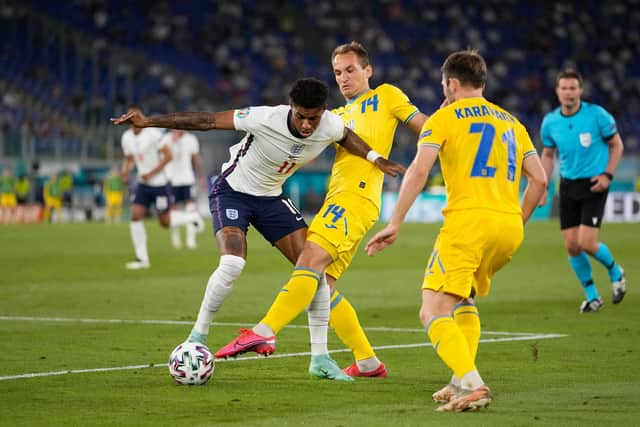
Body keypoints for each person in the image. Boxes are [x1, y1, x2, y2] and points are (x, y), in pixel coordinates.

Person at [111, 78, 404, 379]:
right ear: (291, 108)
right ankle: (196, 336)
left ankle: (320, 358)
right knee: (233, 263)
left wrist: (375, 158)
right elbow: (209, 120)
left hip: (271, 199)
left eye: (312, 118)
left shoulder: (329, 124)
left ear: (322, 112)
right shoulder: (265, 118)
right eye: (300, 116)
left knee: (314, 271)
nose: (306, 125)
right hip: (232, 191)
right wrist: (150, 122)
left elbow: (347, 136)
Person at [215, 42, 428, 379]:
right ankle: (367, 362)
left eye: (351, 70)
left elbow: (423, 125)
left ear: (367, 70)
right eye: (338, 73)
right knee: (322, 286)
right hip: (340, 199)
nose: (344, 78)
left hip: (355, 199)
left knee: (308, 261)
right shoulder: (332, 119)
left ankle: (265, 330)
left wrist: (451, 125)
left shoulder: (386, 95)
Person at [364, 50, 546, 411]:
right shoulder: (513, 122)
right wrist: (516, 220)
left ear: (451, 83)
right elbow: (539, 180)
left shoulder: (444, 118)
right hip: (508, 226)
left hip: (468, 222)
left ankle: (474, 385)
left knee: (431, 310)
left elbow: (419, 170)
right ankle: (459, 379)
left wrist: (395, 221)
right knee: (463, 298)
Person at [540, 69, 626, 312]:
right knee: (572, 246)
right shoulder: (550, 121)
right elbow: (548, 155)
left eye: (573, 88)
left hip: (594, 184)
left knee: (587, 242)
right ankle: (592, 296)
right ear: (558, 92)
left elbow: (616, 145)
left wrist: (608, 175)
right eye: (564, 88)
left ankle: (615, 271)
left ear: (580, 91)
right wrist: (543, 185)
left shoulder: (597, 115)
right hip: (567, 185)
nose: (569, 93)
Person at [119, 124, 202, 270]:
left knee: (166, 220)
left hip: (169, 182)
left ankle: (191, 231)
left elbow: (191, 158)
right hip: (165, 180)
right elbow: (132, 157)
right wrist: (126, 170)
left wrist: (199, 176)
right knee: (137, 216)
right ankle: (142, 258)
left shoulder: (189, 139)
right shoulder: (164, 138)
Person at [163, 129, 207, 249]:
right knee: (173, 210)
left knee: (191, 208)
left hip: (187, 179)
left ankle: (190, 241)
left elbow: (196, 159)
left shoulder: (191, 139)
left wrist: (201, 177)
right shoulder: (167, 139)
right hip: (172, 179)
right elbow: (161, 156)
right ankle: (175, 239)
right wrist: (173, 142)